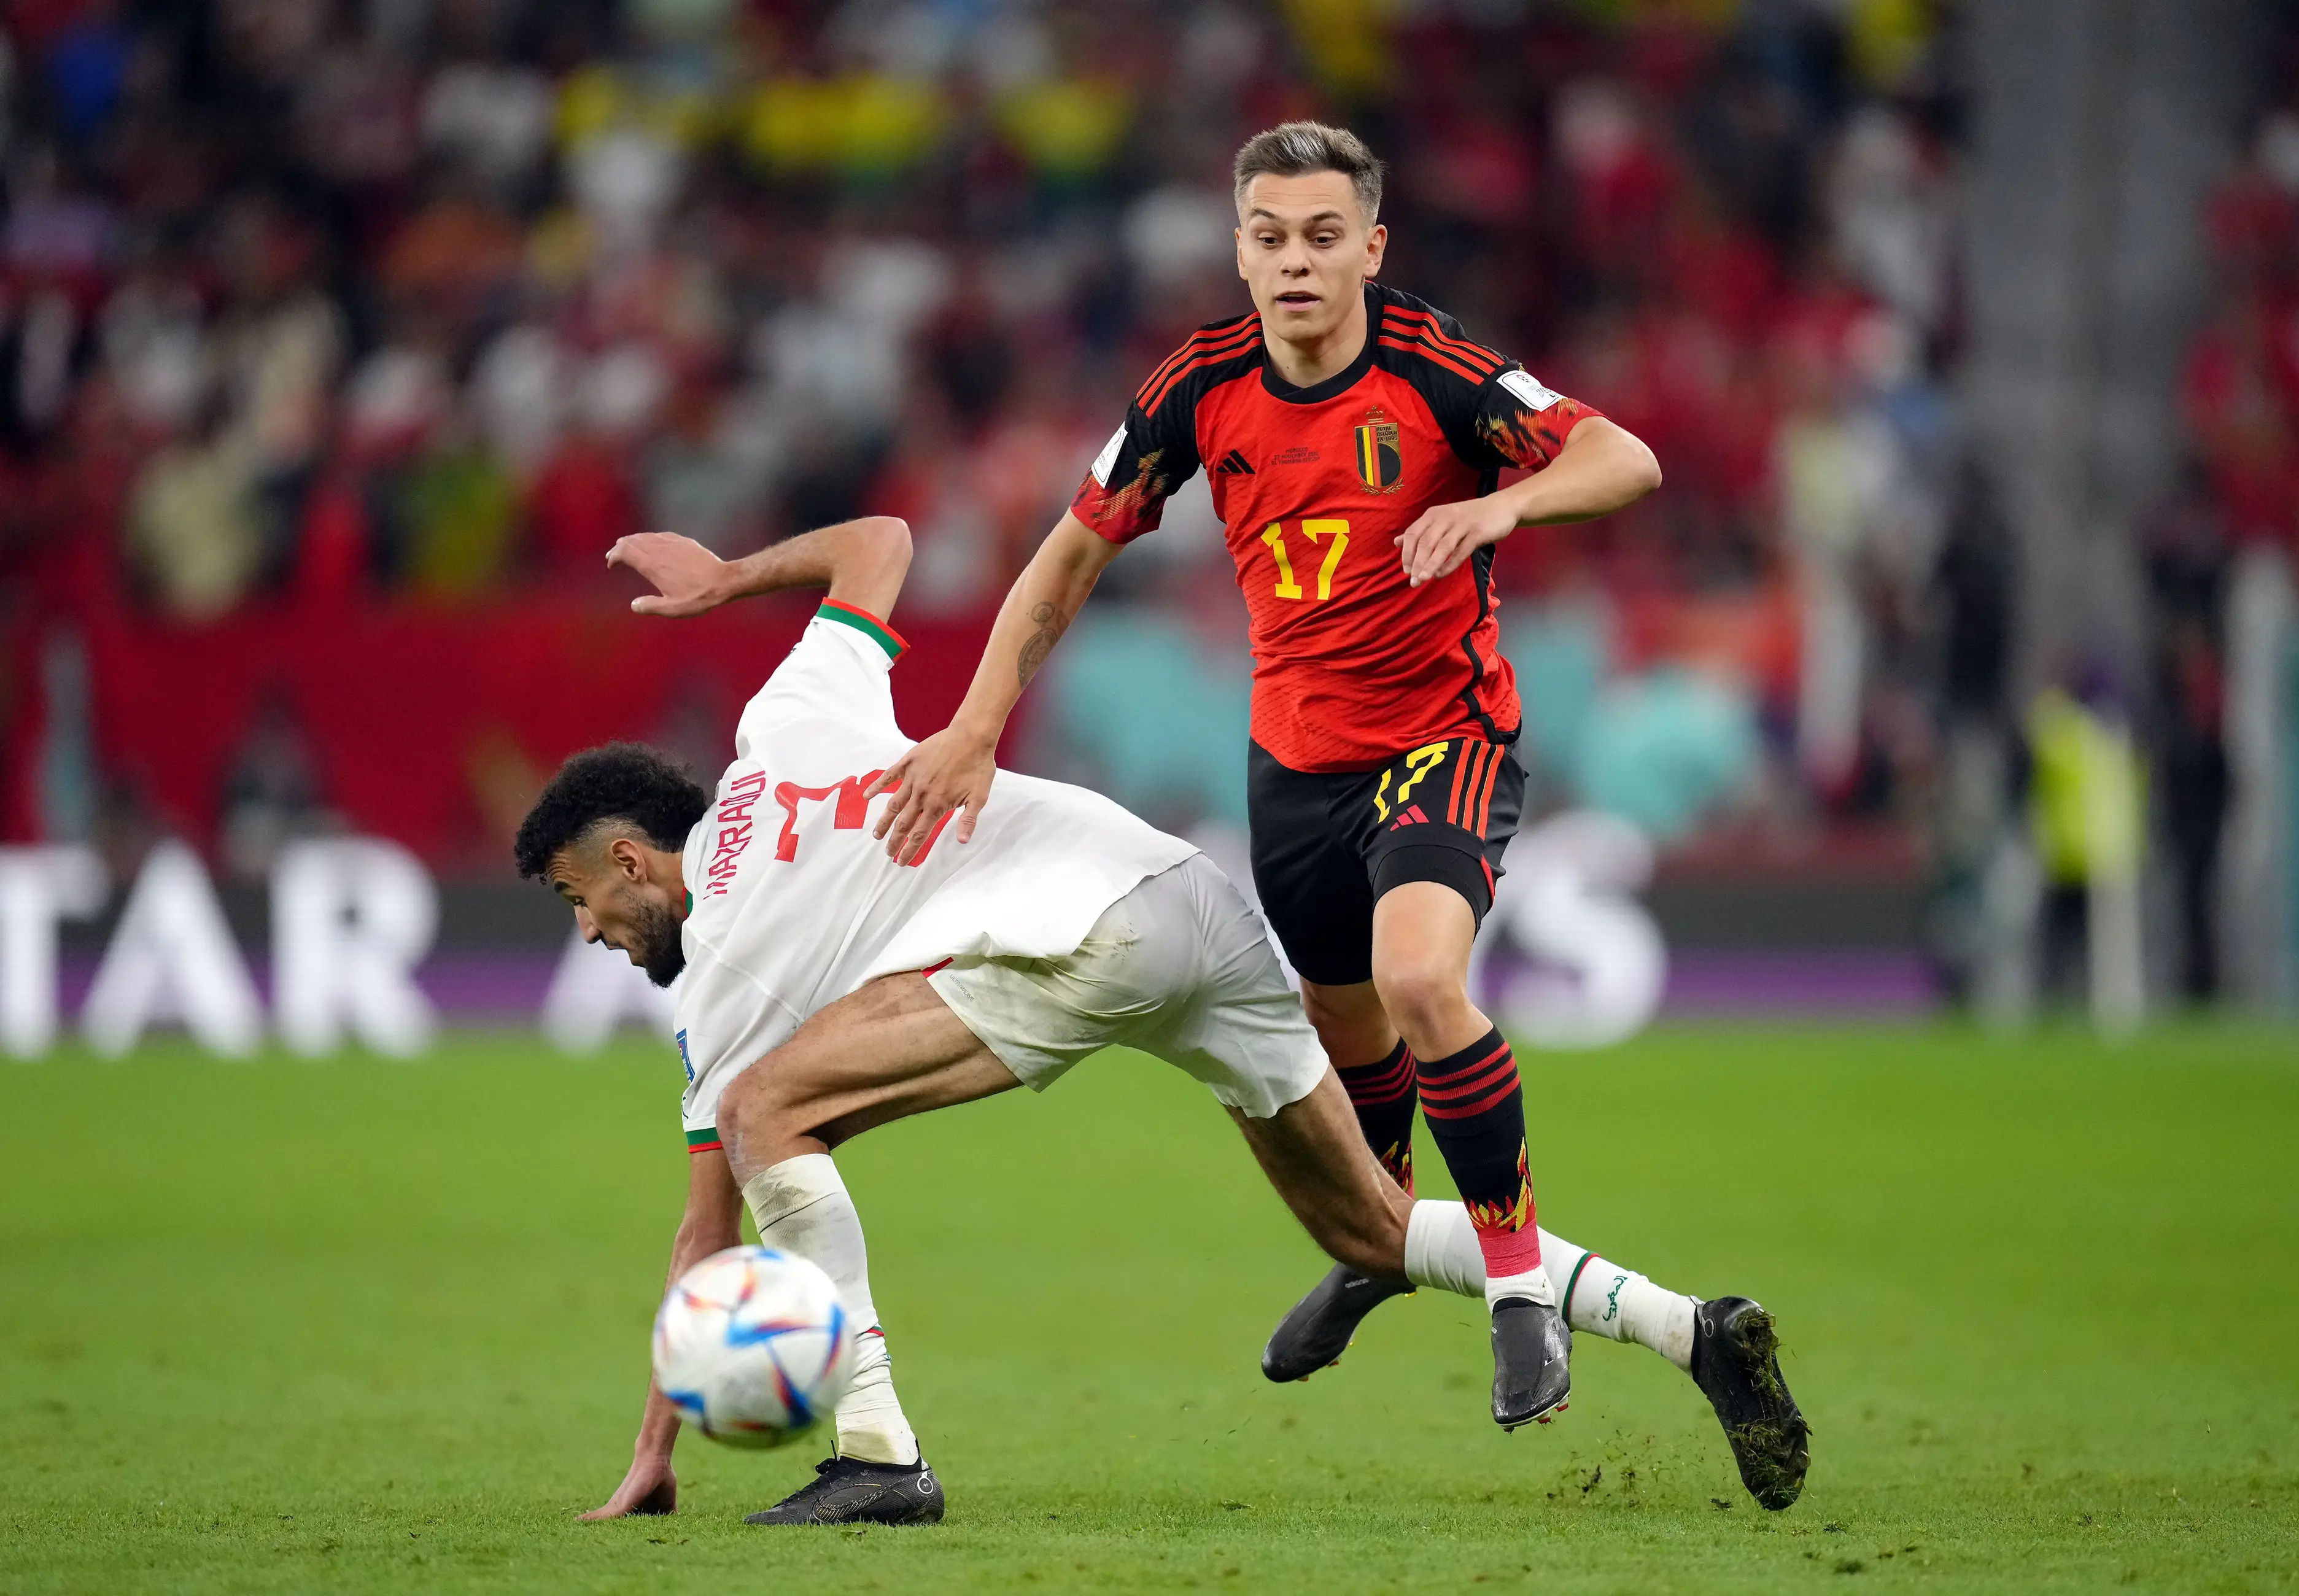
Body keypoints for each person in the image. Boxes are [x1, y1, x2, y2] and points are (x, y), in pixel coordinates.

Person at [527, 516, 1808, 1528]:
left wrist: (652, 1447)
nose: (588, 935)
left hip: (1072, 938)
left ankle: (878, 1454)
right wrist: (731, 579)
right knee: (1363, 1221)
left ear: (634, 859)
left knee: (765, 1112)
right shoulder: (783, 725)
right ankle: (1692, 1329)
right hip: (1182, 897)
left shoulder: (715, 995)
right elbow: (881, 544)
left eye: (583, 902)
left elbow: (709, 1231)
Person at [874, 121, 1801, 1481]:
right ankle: (1380, 1249)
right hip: (1294, 770)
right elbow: (1072, 550)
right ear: (1240, 248)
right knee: (1341, 1038)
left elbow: (1628, 459)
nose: (1295, 262)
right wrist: (972, 722)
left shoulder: (1435, 366)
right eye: (1269, 237)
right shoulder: (1200, 384)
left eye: (1322, 237)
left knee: (1423, 982)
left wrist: (1500, 511)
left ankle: (1517, 1289)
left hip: (1444, 738)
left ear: (1371, 245)